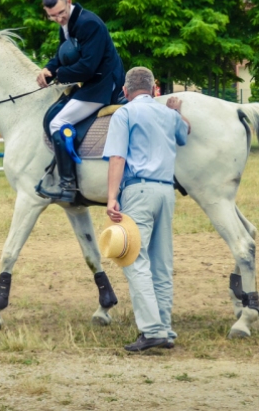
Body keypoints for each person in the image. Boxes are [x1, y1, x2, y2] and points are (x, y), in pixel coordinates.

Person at [102, 67, 190, 352]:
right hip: (166, 191)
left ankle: (151, 330)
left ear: (125, 92)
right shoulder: (168, 114)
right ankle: (164, 329)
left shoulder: (124, 114)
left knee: (134, 259)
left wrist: (112, 196)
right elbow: (185, 132)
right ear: (154, 90)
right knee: (161, 263)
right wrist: (177, 112)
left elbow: (117, 155)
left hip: (138, 191)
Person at [35, 0, 125, 203]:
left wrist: (58, 74)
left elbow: (87, 67)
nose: (58, 18)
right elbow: (62, 53)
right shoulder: (67, 24)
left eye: (60, 12)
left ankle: (68, 184)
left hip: (104, 84)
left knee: (58, 123)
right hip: (90, 83)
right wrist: (48, 69)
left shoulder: (89, 23)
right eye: (53, 16)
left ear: (69, 1)